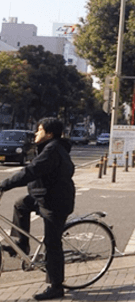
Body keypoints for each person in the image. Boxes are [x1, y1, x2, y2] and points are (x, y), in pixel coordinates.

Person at [0, 117, 75, 301]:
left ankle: (56, 287)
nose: (35, 133)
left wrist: (3, 185)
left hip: (56, 202)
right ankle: (21, 244)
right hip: (43, 196)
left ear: (49, 134)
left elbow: (31, 172)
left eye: (39, 130)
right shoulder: (50, 147)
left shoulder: (52, 150)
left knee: (52, 243)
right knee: (20, 204)